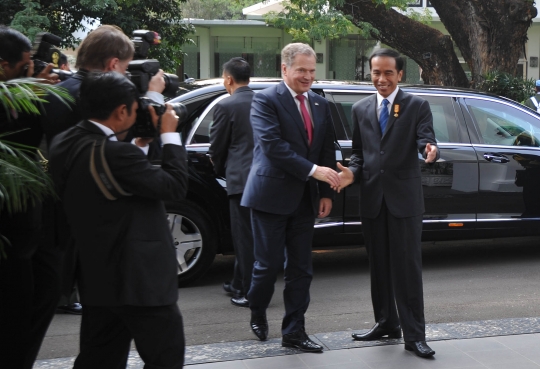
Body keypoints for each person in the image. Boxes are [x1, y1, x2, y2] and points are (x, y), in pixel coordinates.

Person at [49, 71, 188, 369]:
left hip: (97, 277)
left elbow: (115, 184)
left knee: (100, 358)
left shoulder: (64, 141)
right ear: (121, 111)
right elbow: (174, 186)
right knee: (166, 357)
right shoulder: (114, 153)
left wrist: (139, 143)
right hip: (140, 280)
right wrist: (169, 134)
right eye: (135, 110)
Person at [337, 48, 439, 358]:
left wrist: (430, 151)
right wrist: (352, 173)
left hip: (403, 202)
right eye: (376, 73)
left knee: (407, 269)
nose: (381, 79)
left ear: (400, 75)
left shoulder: (416, 106)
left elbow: (426, 140)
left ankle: (415, 335)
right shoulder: (361, 109)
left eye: (388, 73)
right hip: (372, 200)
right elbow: (359, 153)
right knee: (379, 267)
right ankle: (386, 323)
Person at [241, 43, 339, 352]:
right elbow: (272, 146)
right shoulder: (265, 100)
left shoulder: (321, 105)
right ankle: (257, 308)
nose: (308, 77)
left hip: (304, 201)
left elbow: (326, 150)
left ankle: (294, 330)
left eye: (312, 71)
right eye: (301, 71)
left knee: (301, 269)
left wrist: (325, 193)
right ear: (284, 69)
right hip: (269, 197)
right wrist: (314, 172)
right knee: (266, 267)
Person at [0, 25, 59, 369]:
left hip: (31, 235)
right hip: (10, 239)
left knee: (44, 294)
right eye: (24, 68)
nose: (30, 74)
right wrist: (27, 95)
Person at [209, 57, 255, 308]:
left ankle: (248, 290)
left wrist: (219, 170)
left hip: (240, 180)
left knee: (244, 239)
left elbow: (217, 147)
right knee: (256, 236)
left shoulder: (226, 106)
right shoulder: (265, 101)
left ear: (228, 79)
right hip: (265, 180)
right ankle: (238, 282)